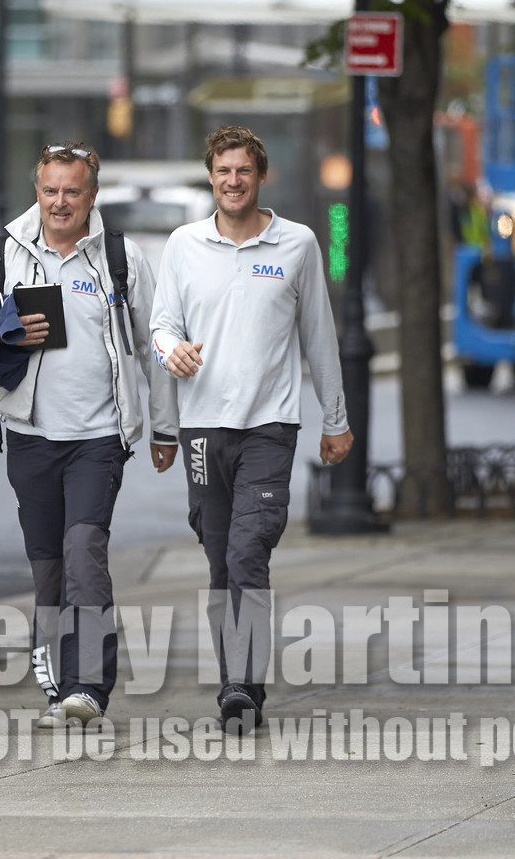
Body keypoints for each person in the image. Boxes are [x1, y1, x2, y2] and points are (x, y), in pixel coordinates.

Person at [0, 142, 178, 725]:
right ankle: (55, 680)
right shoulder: (5, 253)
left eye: (72, 191)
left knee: (83, 552)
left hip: (100, 436)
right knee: (48, 567)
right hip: (28, 433)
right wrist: (4, 327)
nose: (60, 202)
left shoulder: (119, 258)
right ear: (38, 191)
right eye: (50, 190)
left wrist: (164, 428)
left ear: (92, 196)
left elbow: (157, 342)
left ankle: (90, 687)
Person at [148, 124, 352, 729]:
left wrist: (335, 420)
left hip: (270, 426)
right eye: (222, 171)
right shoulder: (183, 245)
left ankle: (238, 684)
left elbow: (320, 337)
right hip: (203, 430)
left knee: (248, 551)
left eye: (243, 171)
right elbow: (160, 327)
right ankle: (241, 678)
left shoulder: (300, 244)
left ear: (260, 176)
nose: (232, 181)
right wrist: (170, 353)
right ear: (209, 177)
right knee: (219, 560)